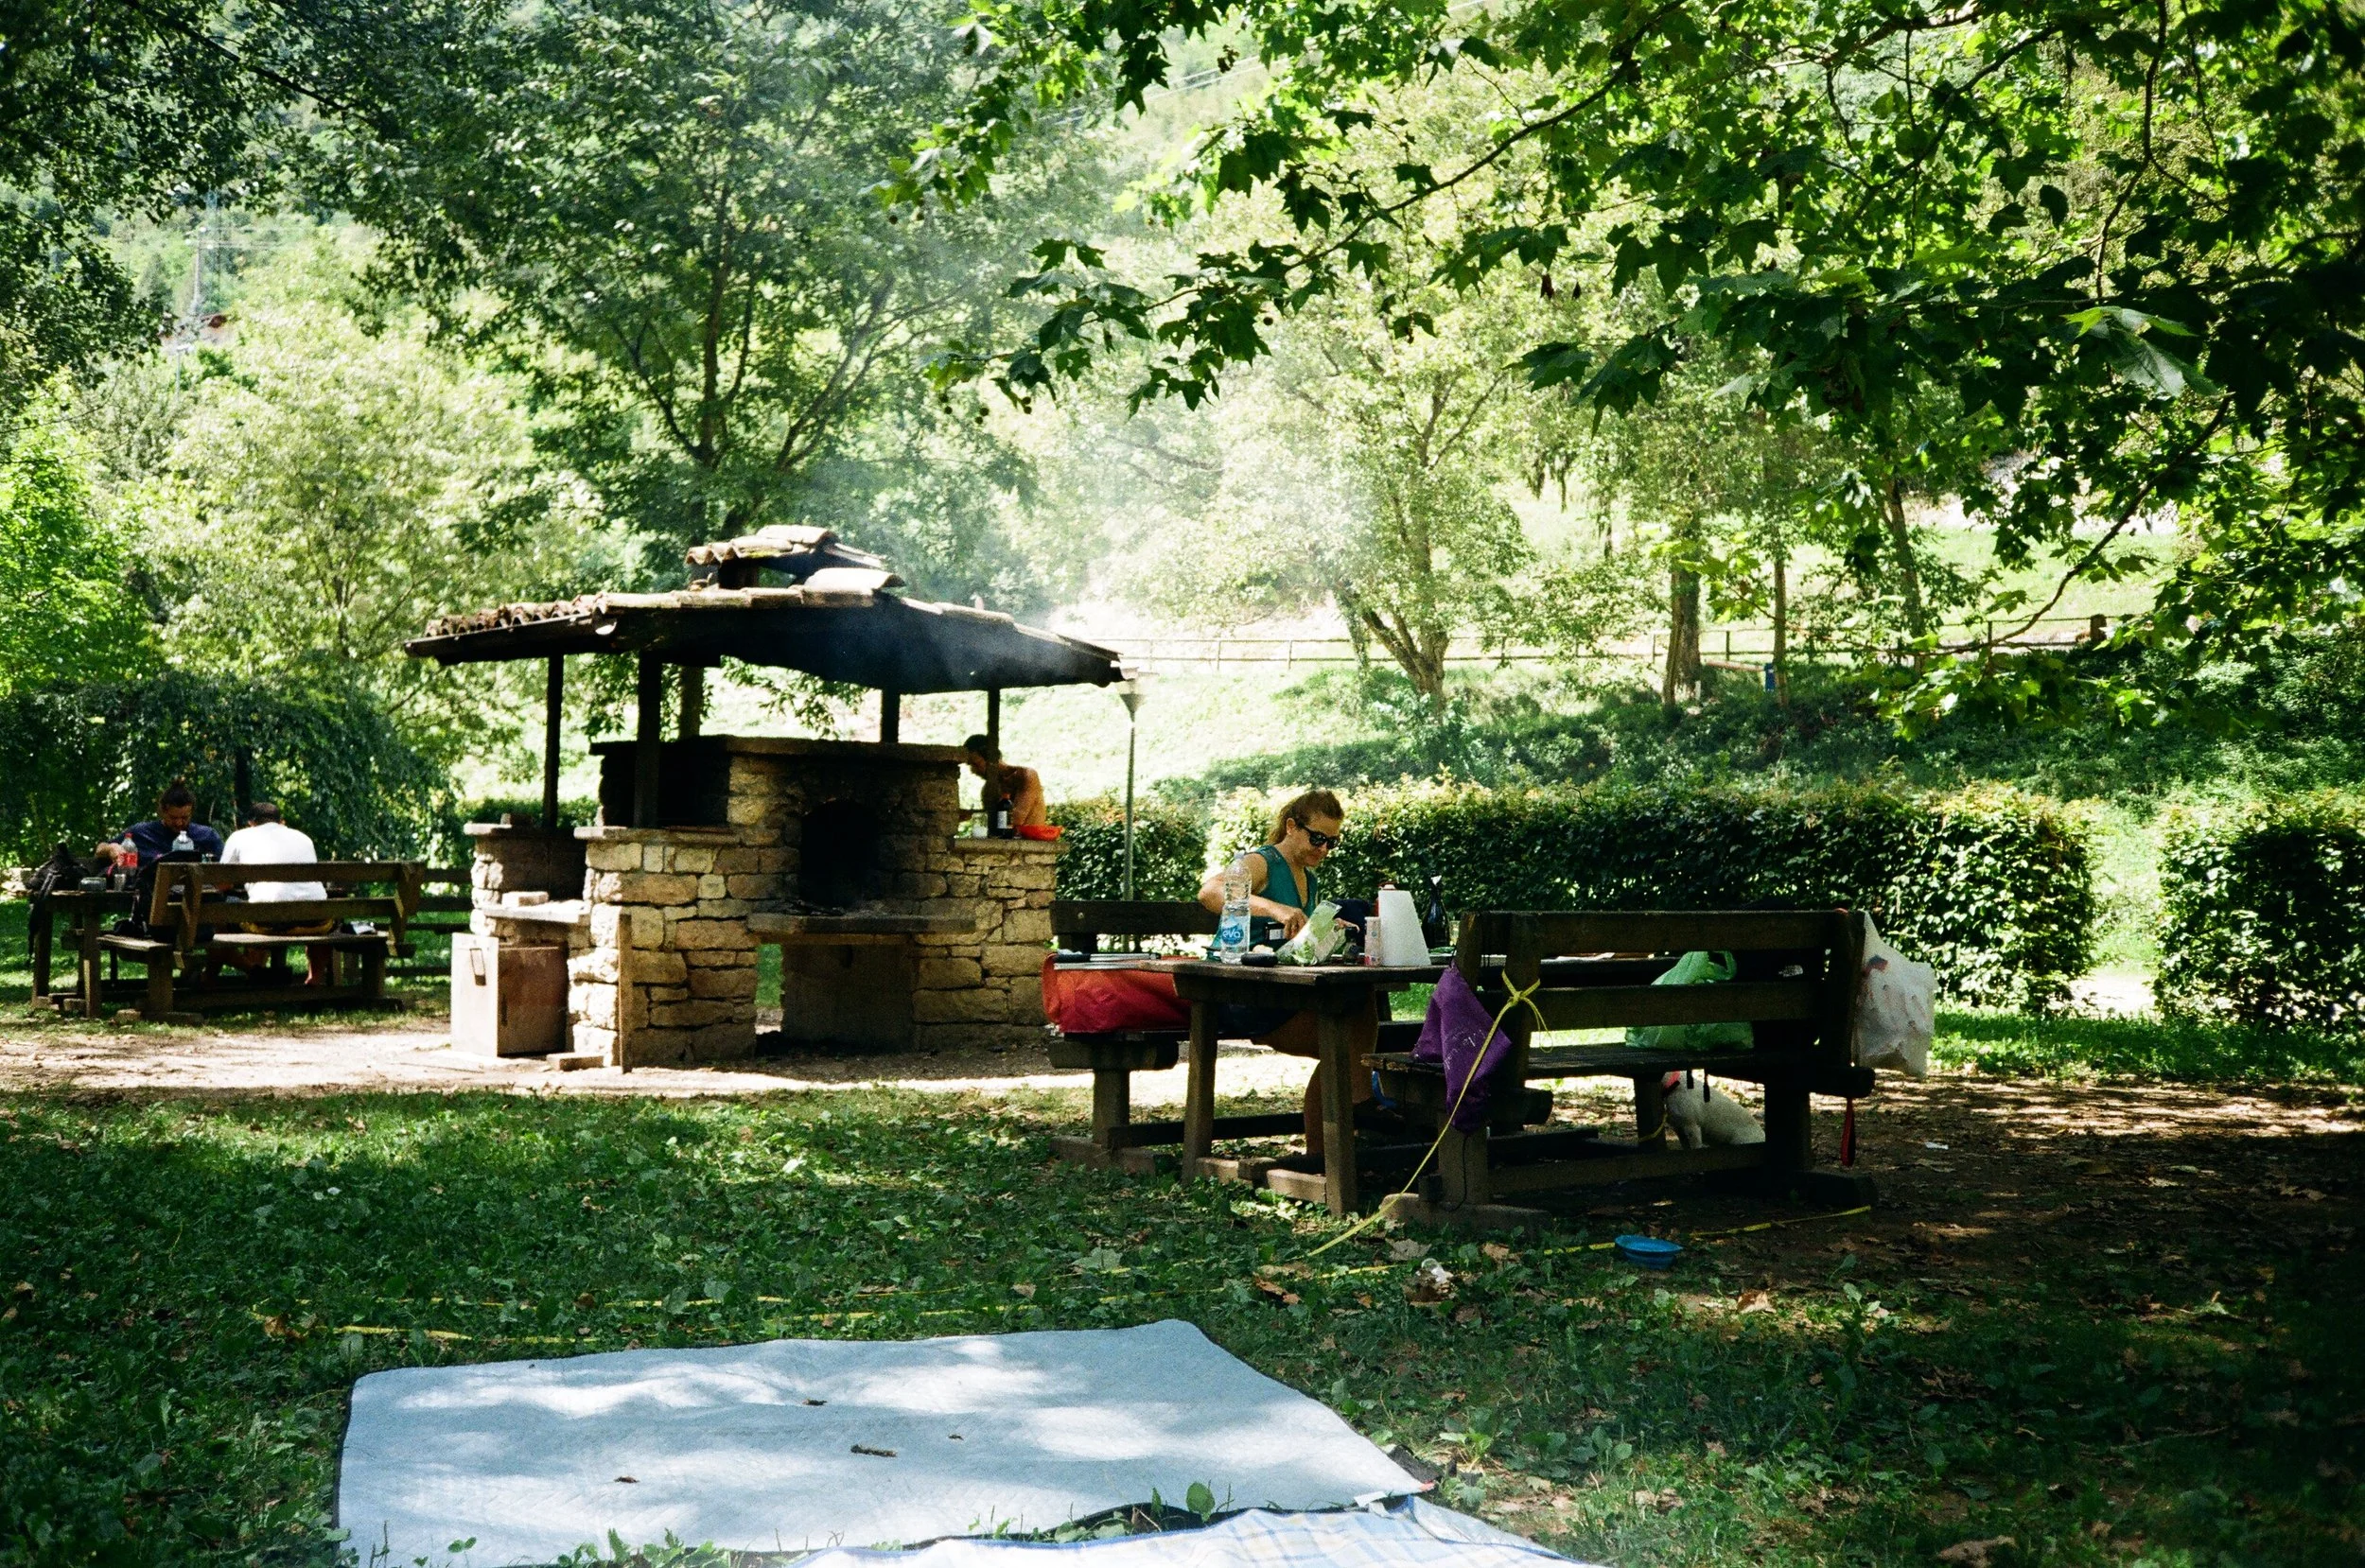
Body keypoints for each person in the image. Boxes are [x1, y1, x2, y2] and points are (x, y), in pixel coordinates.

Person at [1194, 789, 1376, 1159]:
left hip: (1286, 991)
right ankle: (1341, 1138)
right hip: (1245, 994)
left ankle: (1348, 1128)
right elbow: (1210, 891)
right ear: (1292, 827)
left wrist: (1325, 930)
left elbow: (1291, 943)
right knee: (1342, 1040)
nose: (1324, 848)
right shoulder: (1262, 862)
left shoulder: (1309, 877)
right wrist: (1274, 908)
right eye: (1317, 838)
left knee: (1361, 1010)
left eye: (1332, 841)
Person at [219, 802, 337, 984]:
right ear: (281, 822)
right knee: (302, 908)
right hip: (317, 921)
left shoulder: (239, 836)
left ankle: (253, 976)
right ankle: (315, 979)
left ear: (251, 823)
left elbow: (222, 883)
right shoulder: (303, 837)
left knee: (233, 911)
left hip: (269, 923)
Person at [96, 780, 223, 868]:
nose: (179, 823)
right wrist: (112, 847)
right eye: (173, 818)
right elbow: (100, 849)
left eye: (185, 818)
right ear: (162, 812)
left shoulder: (207, 836)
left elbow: (227, 867)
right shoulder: (141, 833)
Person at [960, 735, 1046, 831]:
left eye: (975, 764)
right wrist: (970, 814)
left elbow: (1017, 820)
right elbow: (993, 823)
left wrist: (978, 815)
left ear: (991, 759)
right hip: (1005, 842)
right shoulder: (988, 789)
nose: (972, 771)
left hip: (1030, 843)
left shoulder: (1026, 775)